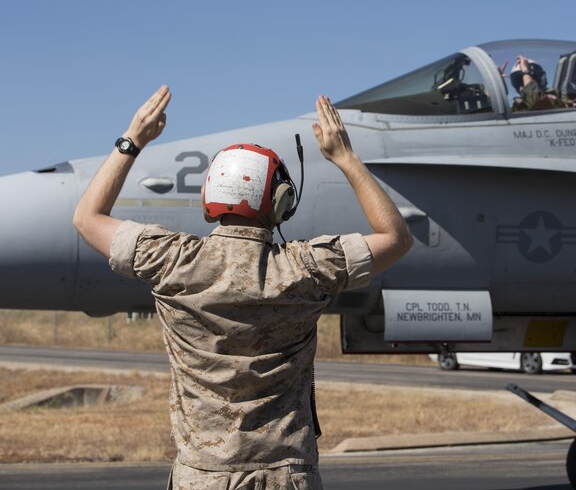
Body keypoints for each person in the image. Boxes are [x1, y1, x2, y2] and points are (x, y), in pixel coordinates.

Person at [72, 86, 413, 490]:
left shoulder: (171, 261)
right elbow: (396, 237)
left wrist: (133, 140)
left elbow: (87, 217)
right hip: (286, 475)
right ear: (282, 202)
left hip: (200, 477)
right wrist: (346, 157)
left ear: (209, 199)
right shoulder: (306, 268)